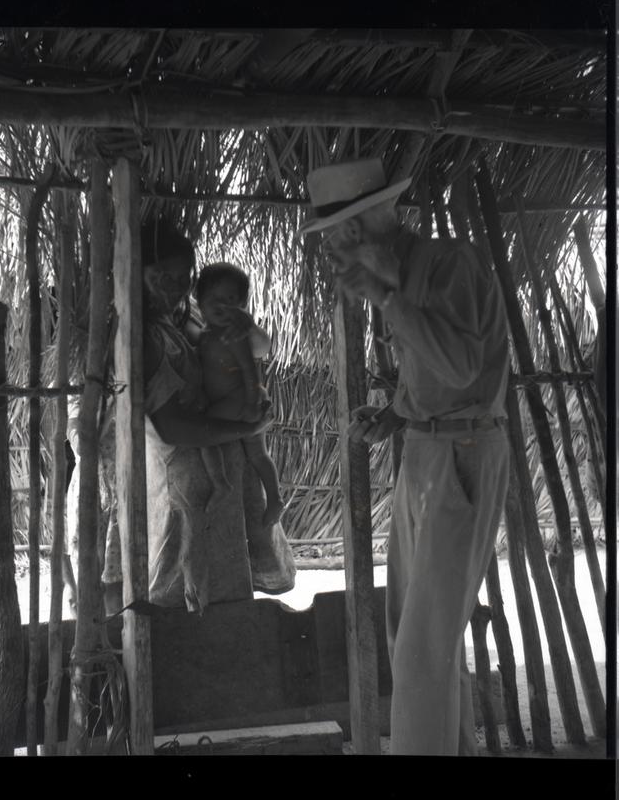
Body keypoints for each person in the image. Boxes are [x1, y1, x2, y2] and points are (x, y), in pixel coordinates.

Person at [299, 158, 510, 756]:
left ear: (369, 222)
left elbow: (464, 368)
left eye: (340, 232)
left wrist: (390, 300)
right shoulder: (397, 277)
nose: (336, 247)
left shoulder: (451, 266)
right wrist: (396, 413)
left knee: (422, 648)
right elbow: (432, 376)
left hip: (463, 451)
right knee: (415, 637)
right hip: (424, 450)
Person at [97, 218, 296, 615]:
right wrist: (246, 427)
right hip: (181, 487)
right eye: (162, 277)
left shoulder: (175, 323)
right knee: (182, 598)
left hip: (207, 480)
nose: (174, 289)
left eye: (184, 280)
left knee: (218, 601)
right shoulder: (141, 338)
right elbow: (173, 427)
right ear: (136, 272)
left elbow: (252, 349)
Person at [194, 262, 285, 526]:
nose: (224, 306)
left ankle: (220, 483)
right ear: (198, 301)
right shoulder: (205, 335)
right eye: (216, 300)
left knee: (203, 432)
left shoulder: (232, 335)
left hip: (242, 397)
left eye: (232, 300)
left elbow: (249, 369)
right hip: (237, 398)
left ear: (243, 305)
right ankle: (275, 498)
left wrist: (250, 402)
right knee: (258, 454)